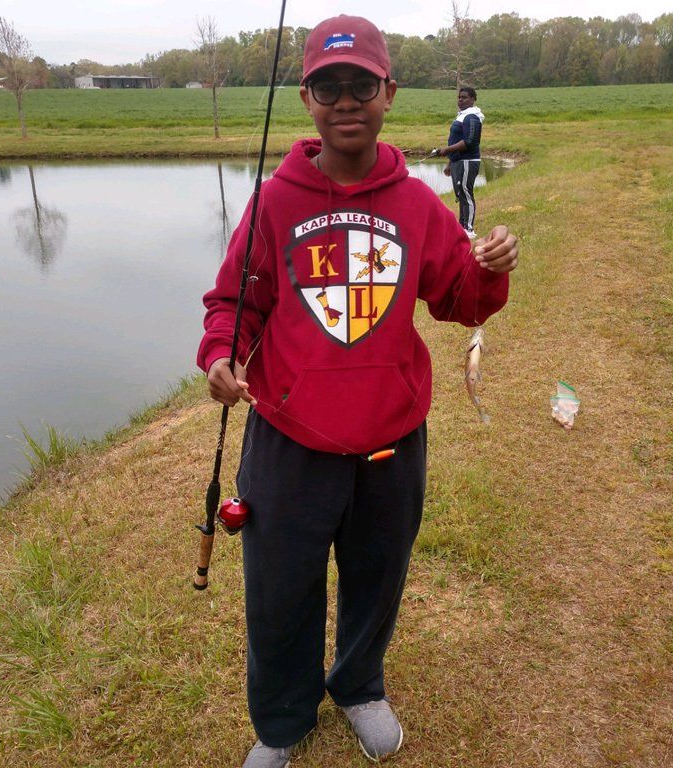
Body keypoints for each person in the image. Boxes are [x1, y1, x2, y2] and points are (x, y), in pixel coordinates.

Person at [197, 16, 518, 768]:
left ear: (388, 93)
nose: (346, 101)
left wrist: (493, 266)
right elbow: (231, 306)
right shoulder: (276, 201)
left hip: (390, 442)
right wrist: (221, 358)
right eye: (328, 86)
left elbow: (459, 299)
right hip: (288, 440)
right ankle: (281, 723)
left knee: (378, 579)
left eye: (361, 85)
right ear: (307, 97)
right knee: (280, 594)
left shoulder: (414, 203)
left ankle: (359, 685)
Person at [433, 87, 483, 238]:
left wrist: (446, 150)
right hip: (458, 161)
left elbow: (470, 142)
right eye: (459, 97)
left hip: (468, 160)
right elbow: (455, 139)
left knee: (466, 193)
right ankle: (461, 228)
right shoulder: (461, 116)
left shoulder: (472, 117)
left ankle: (468, 229)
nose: (460, 100)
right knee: (460, 193)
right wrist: (450, 162)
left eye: (464, 97)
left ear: (473, 99)